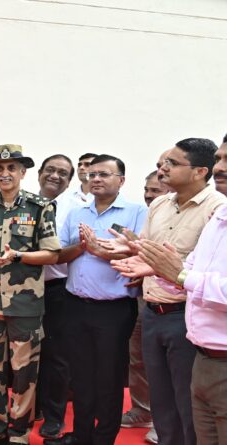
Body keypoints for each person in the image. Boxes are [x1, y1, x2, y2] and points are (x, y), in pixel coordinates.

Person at [112, 131, 227, 445]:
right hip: (152, 311)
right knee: (161, 403)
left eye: (172, 164)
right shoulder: (160, 203)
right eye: (162, 163)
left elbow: (198, 268)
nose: (162, 169)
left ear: (198, 172)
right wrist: (127, 251)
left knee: (190, 408)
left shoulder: (217, 208)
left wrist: (167, 269)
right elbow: (148, 251)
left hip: (186, 316)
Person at [47, 154, 147, 445]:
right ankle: (80, 434)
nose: (96, 179)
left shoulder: (136, 212)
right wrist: (83, 247)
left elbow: (140, 254)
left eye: (104, 174)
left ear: (121, 180)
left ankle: (104, 437)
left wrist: (102, 250)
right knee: (79, 375)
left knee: (109, 377)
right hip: (75, 305)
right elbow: (59, 255)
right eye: (92, 175)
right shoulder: (77, 213)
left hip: (114, 309)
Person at [0, 144, 61, 445]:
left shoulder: (39, 207)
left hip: (25, 304)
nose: (4, 173)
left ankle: (19, 433)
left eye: (11, 168)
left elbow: (52, 254)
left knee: (24, 374)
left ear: (22, 172)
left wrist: (17, 256)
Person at [120, 169, 170, 445]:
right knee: (139, 359)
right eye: (147, 190)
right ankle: (142, 410)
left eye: (156, 191)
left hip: (176, 304)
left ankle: (164, 425)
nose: (150, 195)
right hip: (144, 299)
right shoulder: (152, 216)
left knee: (168, 367)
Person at [34, 154, 79, 440]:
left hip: (57, 290)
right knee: (24, 354)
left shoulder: (77, 209)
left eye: (63, 173)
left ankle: (53, 416)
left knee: (56, 357)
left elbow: (77, 248)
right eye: (50, 170)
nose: (55, 176)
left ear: (70, 180)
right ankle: (28, 409)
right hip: (23, 288)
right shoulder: (23, 204)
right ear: (39, 173)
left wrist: (52, 256)